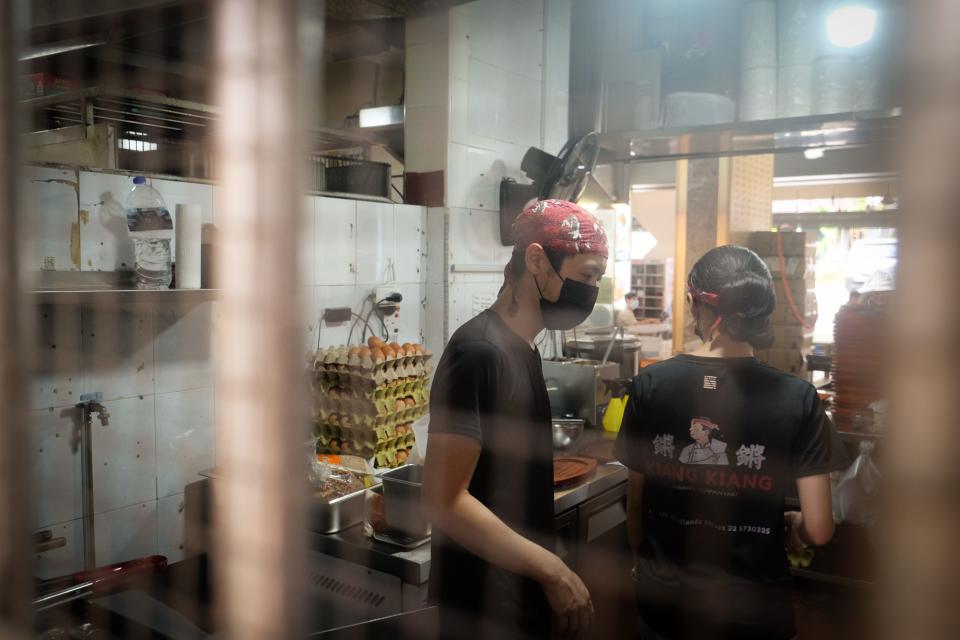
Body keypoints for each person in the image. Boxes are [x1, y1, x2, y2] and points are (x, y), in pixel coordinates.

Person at [614, 245, 850, 640]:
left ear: (697, 304)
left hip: (666, 606)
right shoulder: (797, 398)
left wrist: (644, 565)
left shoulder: (651, 385)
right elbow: (820, 529)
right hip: (755, 612)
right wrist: (797, 526)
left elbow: (637, 502)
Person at [421, 199, 608, 639]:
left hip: (516, 597)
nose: (591, 291)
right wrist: (553, 571)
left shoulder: (524, 349)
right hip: (481, 607)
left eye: (598, 279)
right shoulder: (478, 352)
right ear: (538, 260)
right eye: (586, 276)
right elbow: (443, 500)